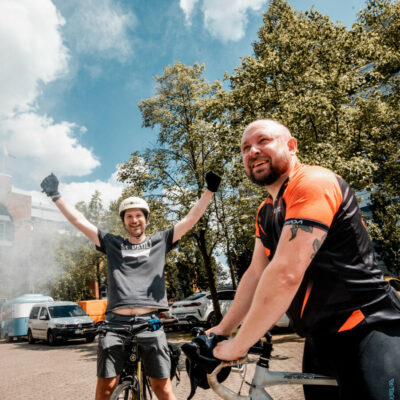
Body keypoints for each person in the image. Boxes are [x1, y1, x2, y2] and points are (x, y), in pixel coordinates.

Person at [208, 119, 400, 400]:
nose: (252, 151)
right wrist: (223, 330)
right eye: (245, 148)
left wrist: (239, 344)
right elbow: (255, 275)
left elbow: (285, 273)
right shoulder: (265, 212)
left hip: (369, 328)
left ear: (291, 146)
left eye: (263, 141)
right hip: (319, 339)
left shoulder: (312, 182)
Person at [40, 171, 221, 400]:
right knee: (105, 389)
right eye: (129, 216)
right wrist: (55, 196)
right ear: (124, 221)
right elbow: (80, 221)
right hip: (115, 324)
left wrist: (209, 191)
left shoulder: (160, 241)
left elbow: (190, 219)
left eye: (138, 215)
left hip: (149, 323)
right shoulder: (112, 243)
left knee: (163, 389)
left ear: (146, 218)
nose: (134, 220)